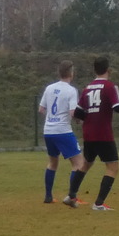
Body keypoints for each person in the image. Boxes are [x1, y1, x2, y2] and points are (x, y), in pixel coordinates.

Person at [64, 55, 119, 211]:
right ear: (108, 70)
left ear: (94, 70)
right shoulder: (110, 87)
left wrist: (89, 117)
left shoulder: (88, 88)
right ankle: (99, 204)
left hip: (89, 134)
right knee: (112, 167)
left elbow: (78, 113)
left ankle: (71, 195)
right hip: (103, 134)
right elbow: (118, 108)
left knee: (86, 164)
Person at [38, 60, 87, 204]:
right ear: (71, 73)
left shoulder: (49, 88)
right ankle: (72, 197)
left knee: (52, 163)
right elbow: (73, 112)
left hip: (48, 131)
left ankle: (48, 196)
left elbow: (41, 109)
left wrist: (52, 119)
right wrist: (80, 120)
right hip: (63, 131)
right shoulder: (71, 90)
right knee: (79, 163)